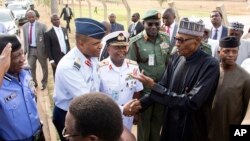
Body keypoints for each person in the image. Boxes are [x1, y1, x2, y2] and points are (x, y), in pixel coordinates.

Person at [126, 17, 220, 141]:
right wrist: (141, 103)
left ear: (197, 41)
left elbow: (192, 102)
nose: (176, 44)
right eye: (176, 39)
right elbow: (164, 85)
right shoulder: (176, 57)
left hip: (192, 128)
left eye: (181, 40)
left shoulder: (210, 65)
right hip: (170, 123)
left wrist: (153, 86)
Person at [53, 18, 106, 141]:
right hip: (69, 115)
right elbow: (86, 100)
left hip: (87, 111)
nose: (100, 47)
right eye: (96, 43)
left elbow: (95, 87)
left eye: (100, 42)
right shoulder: (69, 66)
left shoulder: (91, 56)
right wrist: (120, 109)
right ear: (81, 43)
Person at [127, 9, 171, 141]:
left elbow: (169, 64)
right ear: (143, 23)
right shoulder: (135, 42)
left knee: (157, 123)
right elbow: (131, 70)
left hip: (161, 89)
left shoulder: (165, 39)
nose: (153, 27)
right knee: (144, 124)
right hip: (145, 91)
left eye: (157, 24)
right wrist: (135, 95)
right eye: (150, 24)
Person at [0, 34, 43, 140]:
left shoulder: (27, 72)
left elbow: (33, 96)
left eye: (22, 54)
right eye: (15, 56)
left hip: (39, 134)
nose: (22, 59)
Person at [98, 31, 143, 130]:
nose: (122, 50)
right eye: (117, 47)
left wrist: (135, 112)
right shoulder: (100, 69)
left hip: (127, 117)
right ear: (108, 49)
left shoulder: (133, 67)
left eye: (124, 47)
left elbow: (137, 91)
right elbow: (97, 96)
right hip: (107, 116)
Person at [209, 36, 250, 141]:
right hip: (208, 131)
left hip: (230, 133)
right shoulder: (210, 72)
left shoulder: (245, 78)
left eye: (234, 52)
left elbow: (247, 113)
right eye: (226, 51)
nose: (231, 55)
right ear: (219, 52)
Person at [23, 10, 48, 90]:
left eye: (32, 17)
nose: (31, 18)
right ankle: (34, 83)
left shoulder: (42, 26)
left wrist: (47, 51)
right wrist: (25, 49)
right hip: (31, 50)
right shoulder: (25, 26)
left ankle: (44, 83)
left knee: (44, 67)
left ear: (35, 17)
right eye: (29, 17)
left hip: (41, 50)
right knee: (31, 67)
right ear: (27, 17)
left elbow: (46, 39)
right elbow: (25, 39)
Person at [45, 14, 70, 79]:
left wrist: (69, 54)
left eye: (58, 19)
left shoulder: (64, 30)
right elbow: (48, 48)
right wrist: (51, 60)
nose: (57, 21)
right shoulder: (48, 33)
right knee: (57, 74)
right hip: (56, 57)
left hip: (66, 55)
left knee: (67, 72)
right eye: (54, 20)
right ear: (51, 21)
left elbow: (67, 43)